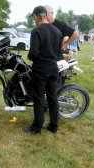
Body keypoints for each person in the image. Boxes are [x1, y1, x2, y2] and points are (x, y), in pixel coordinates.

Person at [23, 6, 62, 135]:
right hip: (53, 67)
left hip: (40, 68)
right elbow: (58, 52)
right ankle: (53, 126)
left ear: (36, 17)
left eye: (33, 17)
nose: (33, 20)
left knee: (39, 98)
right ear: (45, 15)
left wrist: (29, 57)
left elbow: (33, 53)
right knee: (52, 97)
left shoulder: (36, 31)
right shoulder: (57, 31)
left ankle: (36, 127)